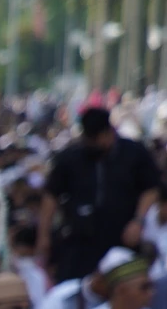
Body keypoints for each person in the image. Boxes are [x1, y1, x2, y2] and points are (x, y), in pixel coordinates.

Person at [40, 105, 160, 283]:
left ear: (108, 132)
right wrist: (44, 235)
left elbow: (151, 189)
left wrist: (138, 220)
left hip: (121, 237)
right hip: (79, 240)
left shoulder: (134, 153)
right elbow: (50, 196)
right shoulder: (70, 158)